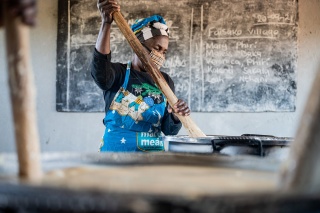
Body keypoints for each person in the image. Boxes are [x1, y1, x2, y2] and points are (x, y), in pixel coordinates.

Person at [91, 0, 191, 152]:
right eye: (157, 48)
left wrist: (176, 115)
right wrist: (106, 23)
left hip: (152, 160)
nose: (160, 55)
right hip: (116, 157)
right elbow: (100, 68)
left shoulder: (166, 81)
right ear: (137, 46)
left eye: (164, 51)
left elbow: (169, 130)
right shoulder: (119, 73)